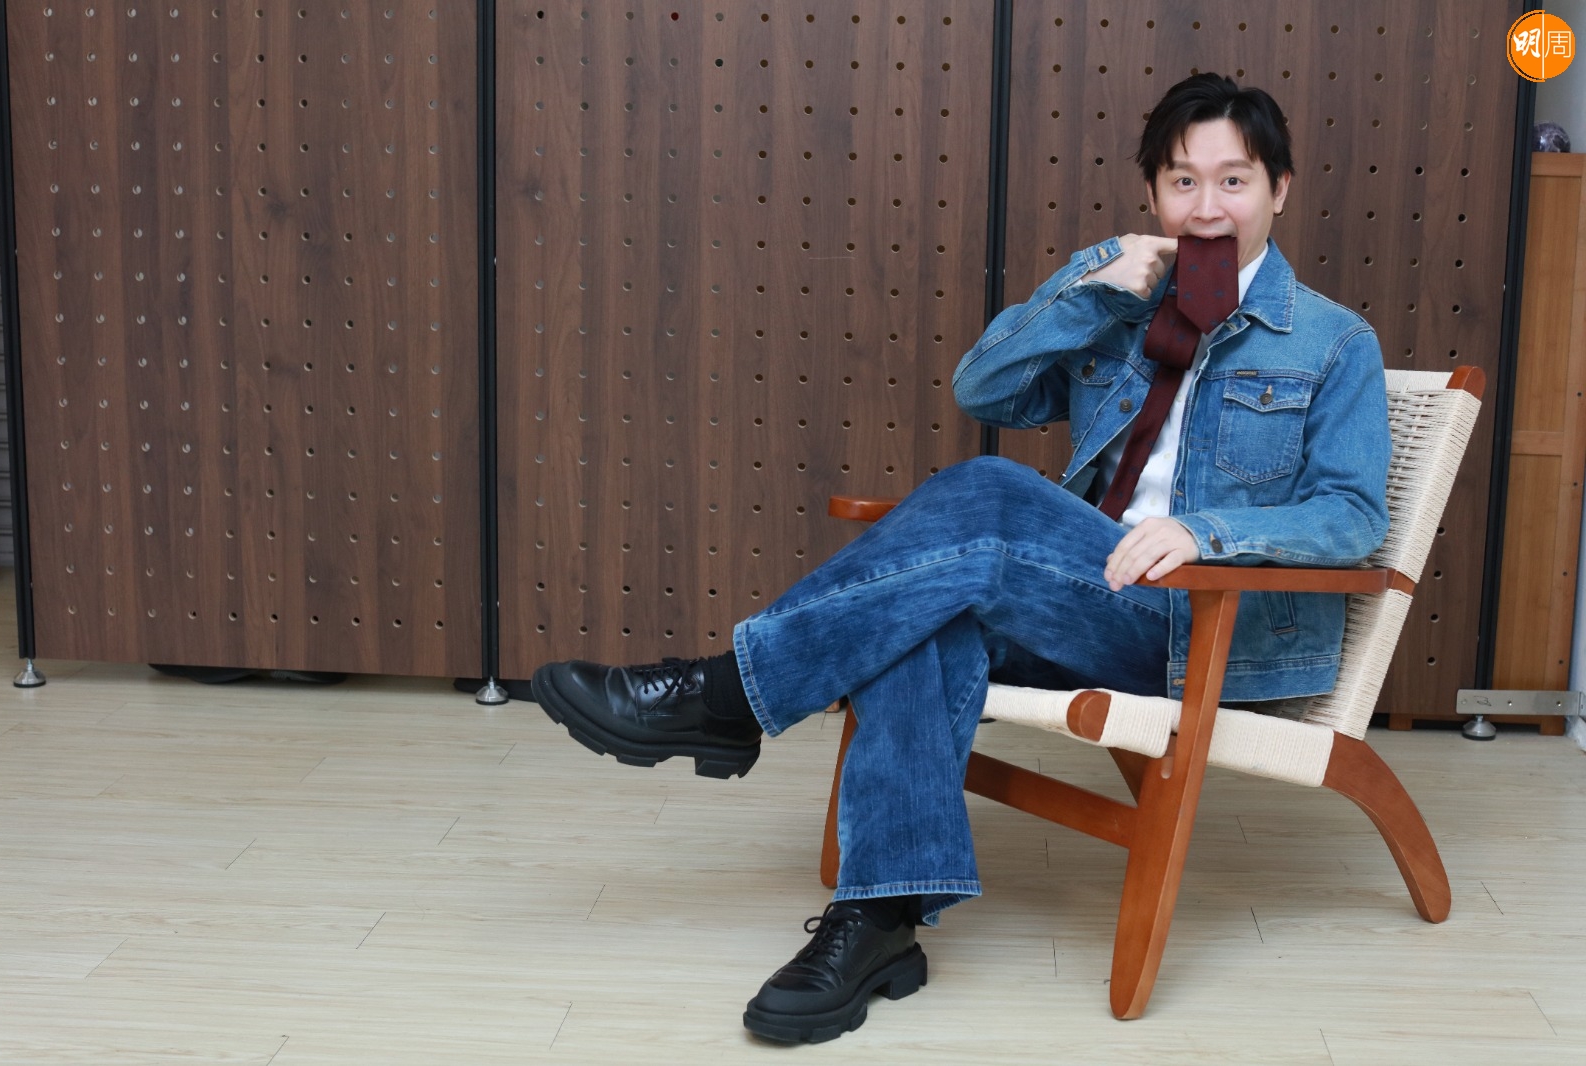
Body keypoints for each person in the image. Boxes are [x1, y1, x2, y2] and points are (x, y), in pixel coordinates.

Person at [530, 73, 1391, 1044]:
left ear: (1279, 189)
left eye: (1233, 181)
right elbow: (983, 388)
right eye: (1181, 182)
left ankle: (726, 694)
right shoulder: (1121, 308)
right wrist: (1091, 282)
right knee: (923, 613)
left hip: (1203, 625)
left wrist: (1207, 532)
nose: (1206, 207)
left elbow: (1353, 515)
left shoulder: (1333, 343)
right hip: (1085, 598)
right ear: (1151, 194)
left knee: (985, 494)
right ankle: (878, 923)